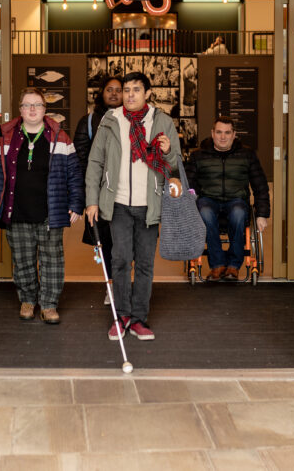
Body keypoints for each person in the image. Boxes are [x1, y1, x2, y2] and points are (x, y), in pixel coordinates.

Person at [85, 71, 181, 341]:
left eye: (136, 90)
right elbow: (95, 163)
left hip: (149, 205)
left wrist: (167, 151)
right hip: (118, 205)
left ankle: (139, 319)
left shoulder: (161, 121)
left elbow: (176, 163)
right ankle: (121, 316)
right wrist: (92, 200)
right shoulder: (110, 120)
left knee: (145, 265)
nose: (129, 95)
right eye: (126, 90)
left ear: (147, 93)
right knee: (120, 260)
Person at [0, 87, 83, 324]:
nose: (32, 109)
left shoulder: (60, 137)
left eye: (37, 104)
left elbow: (75, 174)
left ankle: (48, 304)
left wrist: (76, 204)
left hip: (50, 212)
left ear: (45, 110)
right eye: (27, 105)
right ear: (21, 110)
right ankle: (28, 299)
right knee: (23, 260)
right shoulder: (5, 138)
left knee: (52, 260)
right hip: (16, 211)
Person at [187, 116, 270, 282]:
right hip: (208, 200)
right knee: (204, 211)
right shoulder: (198, 156)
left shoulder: (247, 155)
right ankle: (217, 265)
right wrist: (187, 208)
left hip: (236, 201)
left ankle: (233, 266)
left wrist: (262, 214)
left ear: (234, 134)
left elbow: (260, 185)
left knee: (239, 213)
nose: (222, 137)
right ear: (212, 133)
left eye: (227, 133)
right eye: (219, 132)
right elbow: (189, 185)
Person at [73, 75, 123, 304]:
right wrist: (87, 194)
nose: (114, 94)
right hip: (101, 193)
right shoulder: (89, 121)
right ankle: (111, 286)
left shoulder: (133, 120)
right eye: (109, 89)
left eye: (118, 90)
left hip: (126, 191)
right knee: (105, 241)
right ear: (101, 93)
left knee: (126, 240)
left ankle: (121, 283)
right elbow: (80, 160)